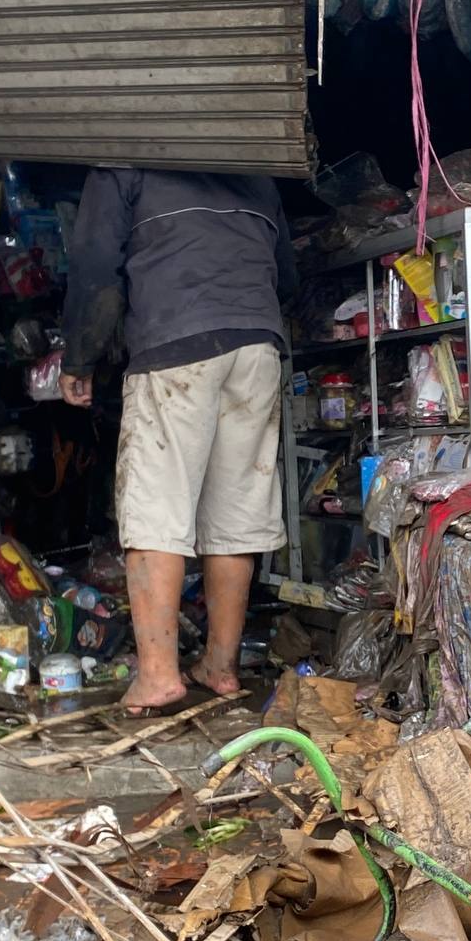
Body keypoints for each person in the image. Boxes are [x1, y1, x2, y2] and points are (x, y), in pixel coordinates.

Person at [60, 168, 294, 716]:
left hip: (174, 339)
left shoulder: (122, 161)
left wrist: (81, 357)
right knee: (236, 508)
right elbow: (288, 277)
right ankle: (220, 665)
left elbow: (94, 263)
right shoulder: (257, 172)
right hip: (257, 344)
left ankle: (159, 675)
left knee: (155, 506)